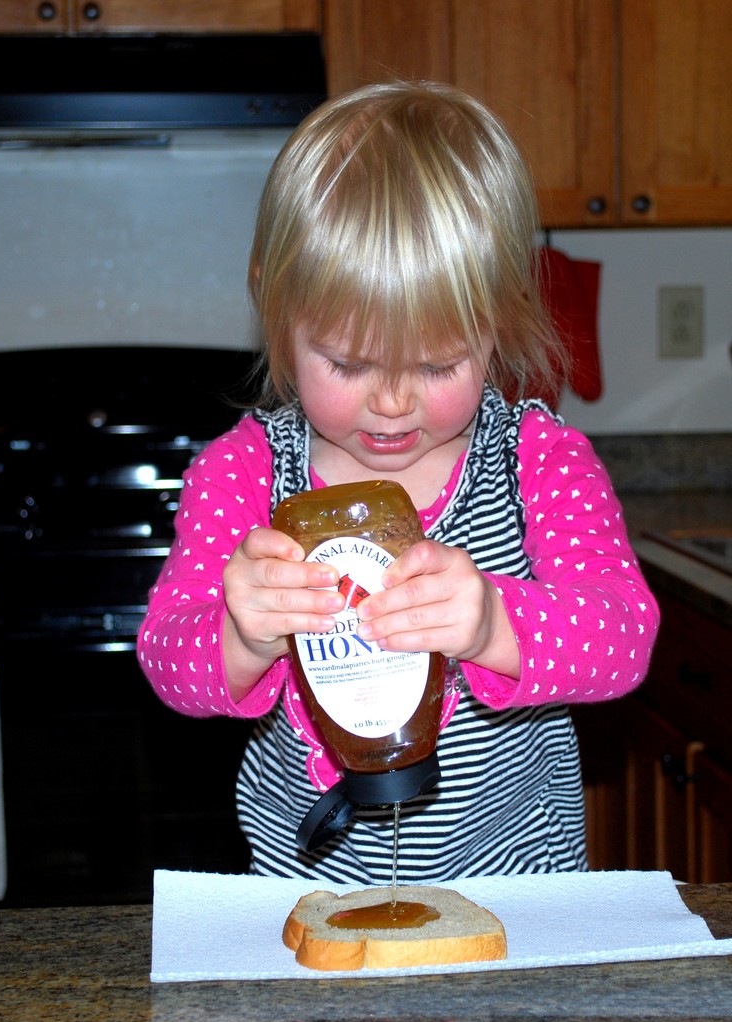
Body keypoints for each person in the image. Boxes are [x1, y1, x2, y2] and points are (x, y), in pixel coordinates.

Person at [137, 80, 659, 884]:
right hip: (310, 889)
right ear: (277, 313)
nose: (390, 401)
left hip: (516, 888)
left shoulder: (538, 463)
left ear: (498, 321)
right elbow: (167, 662)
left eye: (437, 363)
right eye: (346, 362)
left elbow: (625, 640)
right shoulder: (242, 473)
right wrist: (240, 636)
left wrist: (493, 622)